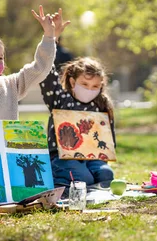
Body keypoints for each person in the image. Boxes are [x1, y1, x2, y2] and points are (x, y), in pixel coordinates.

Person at [40, 11, 115, 189]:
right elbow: (45, 72)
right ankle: (57, 177)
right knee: (84, 178)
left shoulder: (101, 103)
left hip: (91, 157)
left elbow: (107, 139)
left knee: (106, 173)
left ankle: (85, 182)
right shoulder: (61, 97)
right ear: (73, 82)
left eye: (95, 86)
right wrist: (52, 38)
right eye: (84, 84)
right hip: (61, 156)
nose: (90, 89)